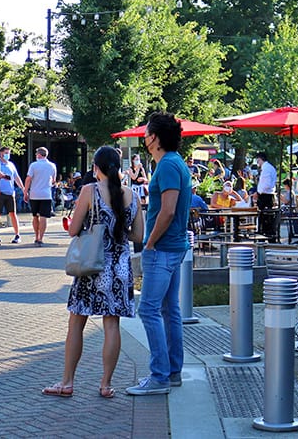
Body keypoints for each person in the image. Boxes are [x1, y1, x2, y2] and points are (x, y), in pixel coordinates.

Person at [42, 146, 143, 399]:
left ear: (96, 167)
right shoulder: (132, 195)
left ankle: (67, 382)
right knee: (112, 324)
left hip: (92, 266)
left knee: (77, 322)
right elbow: (138, 236)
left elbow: (73, 229)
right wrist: (118, 232)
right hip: (119, 268)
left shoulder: (90, 191)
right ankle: (106, 384)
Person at [126, 112, 190, 396]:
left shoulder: (167, 166)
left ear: (155, 138)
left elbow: (168, 210)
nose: (144, 138)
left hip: (162, 248)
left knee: (149, 310)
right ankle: (171, 372)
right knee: (169, 309)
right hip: (172, 248)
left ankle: (159, 376)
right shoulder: (175, 162)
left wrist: (150, 242)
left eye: (146, 133)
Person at [24, 147, 57, 247]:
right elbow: (54, 180)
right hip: (46, 194)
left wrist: (25, 192)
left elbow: (28, 179)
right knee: (43, 217)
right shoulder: (52, 166)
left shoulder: (33, 165)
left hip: (34, 194)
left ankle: (36, 236)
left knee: (35, 216)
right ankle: (41, 238)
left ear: (38, 155)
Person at [0, 147, 25, 244]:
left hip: (10, 192)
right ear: (1, 153)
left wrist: (23, 188)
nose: (7, 155)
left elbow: (16, 177)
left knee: (12, 213)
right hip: (0, 193)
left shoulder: (11, 164)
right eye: (6, 153)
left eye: (8, 153)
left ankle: (17, 235)